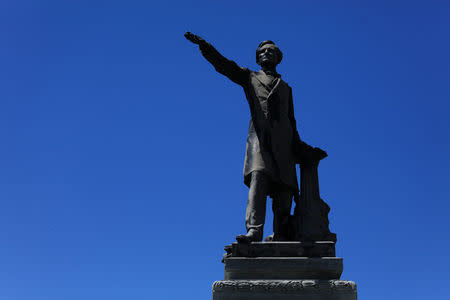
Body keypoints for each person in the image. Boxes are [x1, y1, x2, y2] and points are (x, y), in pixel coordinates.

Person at [185, 32, 326, 242]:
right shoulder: (250, 77)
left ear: (278, 57)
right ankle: (254, 231)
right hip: (260, 141)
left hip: (284, 146)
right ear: (258, 58)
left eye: (271, 51)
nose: (266, 53)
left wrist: (303, 148)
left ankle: (282, 235)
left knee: (284, 193)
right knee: (258, 179)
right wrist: (204, 46)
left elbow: (291, 121)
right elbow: (225, 66)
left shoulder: (286, 88)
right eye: (262, 51)